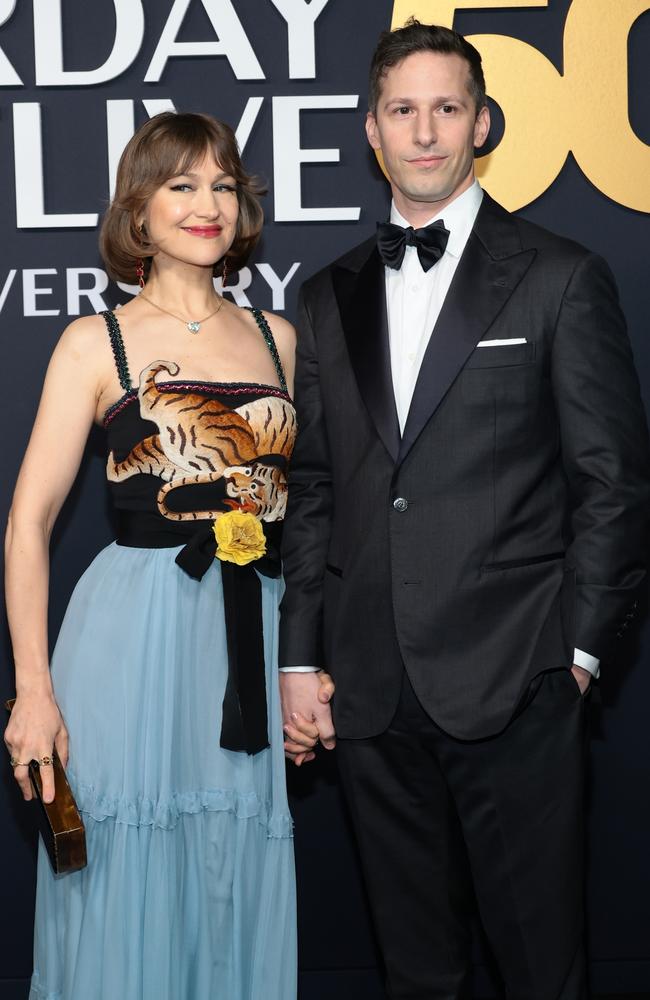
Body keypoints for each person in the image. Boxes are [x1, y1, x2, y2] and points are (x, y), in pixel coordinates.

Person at [279, 20, 650, 1000]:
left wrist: (574, 655)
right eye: (402, 110)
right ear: (370, 129)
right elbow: (312, 485)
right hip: (366, 691)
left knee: (539, 970)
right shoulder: (325, 297)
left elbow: (611, 480)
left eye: (446, 107)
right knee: (416, 972)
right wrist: (298, 654)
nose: (425, 131)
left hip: (516, 680)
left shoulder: (558, 276)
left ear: (481, 122)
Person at [4, 111, 332, 1000]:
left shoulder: (278, 338)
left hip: (249, 633)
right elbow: (27, 524)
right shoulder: (92, 341)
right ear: (137, 210)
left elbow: (309, 520)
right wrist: (33, 690)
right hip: (129, 639)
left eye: (223, 184)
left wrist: (307, 665)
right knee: (118, 863)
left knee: (232, 864)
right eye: (181, 184)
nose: (207, 204)